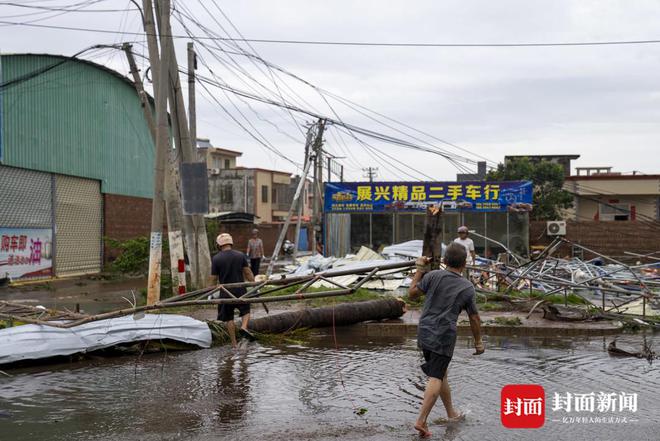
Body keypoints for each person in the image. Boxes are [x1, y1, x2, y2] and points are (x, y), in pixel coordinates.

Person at [408, 242, 484, 438]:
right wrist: (478, 342)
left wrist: (419, 269)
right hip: (443, 335)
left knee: (441, 374)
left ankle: (451, 413)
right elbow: (474, 317)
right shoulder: (467, 287)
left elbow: (412, 293)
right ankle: (421, 421)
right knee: (436, 377)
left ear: (444, 261)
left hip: (424, 331)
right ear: (464, 263)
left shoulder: (432, 276)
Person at [211, 233, 256, 347]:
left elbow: (213, 279)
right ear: (230, 243)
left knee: (228, 317)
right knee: (246, 311)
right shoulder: (240, 255)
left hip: (225, 292)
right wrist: (255, 284)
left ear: (219, 245)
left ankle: (234, 343)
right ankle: (244, 327)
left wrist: (210, 291)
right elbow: (248, 272)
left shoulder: (216, 258)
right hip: (240, 289)